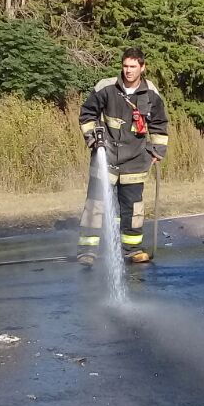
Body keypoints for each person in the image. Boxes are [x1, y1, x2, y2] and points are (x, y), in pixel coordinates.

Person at [77, 49, 169, 265]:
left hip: (136, 159)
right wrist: (93, 138)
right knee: (95, 205)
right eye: (125, 66)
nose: (128, 71)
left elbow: (159, 124)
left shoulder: (151, 94)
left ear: (142, 67)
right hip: (105, 156)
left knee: (132, 208)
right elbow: (87, 114)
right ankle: (87, 251)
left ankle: (132, 250)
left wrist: (157, 151)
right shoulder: (106, 88)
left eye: (133, 67)